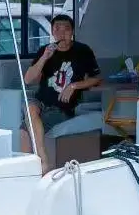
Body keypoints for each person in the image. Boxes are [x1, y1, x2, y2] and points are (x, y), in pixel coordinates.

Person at [24, 13, 102, 146]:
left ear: (72, 32)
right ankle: (41, 157)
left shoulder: (83, 50)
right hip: (40, 101)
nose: (61, 33)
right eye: (57, 29)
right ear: (52, 32)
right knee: (30, 108)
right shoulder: (45, 50)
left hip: (62, 106)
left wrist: (73, 86)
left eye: (66, 29)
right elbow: (27, 80)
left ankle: (40, 158)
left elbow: (96, 78)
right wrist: (44, 57)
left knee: (24, 131)